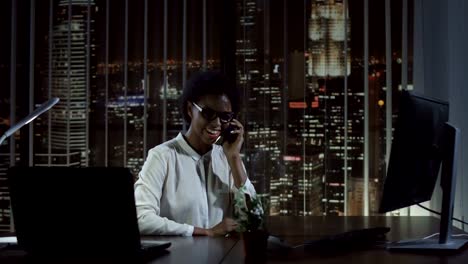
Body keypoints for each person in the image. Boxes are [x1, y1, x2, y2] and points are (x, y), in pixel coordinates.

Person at [134, 71, 256, 236]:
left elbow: (254, 217)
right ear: (190, 110)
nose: (216, 123)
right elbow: (141, 219)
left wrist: (234, 159)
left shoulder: (227, 159)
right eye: (208, 114)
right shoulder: (162, 156)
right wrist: (204, 232)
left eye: (224, 116)